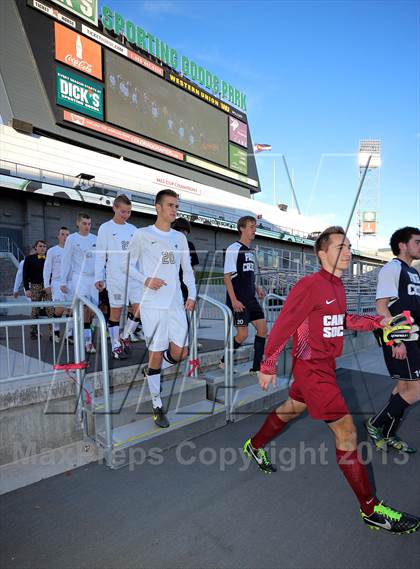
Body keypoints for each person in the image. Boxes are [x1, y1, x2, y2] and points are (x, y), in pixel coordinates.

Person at [242, 226, 420, 535]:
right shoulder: (309, 284)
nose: (348, 250)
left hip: (323, 365)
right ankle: (371, 510)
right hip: (312, 369)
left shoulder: (337, 286)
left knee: (291, 408)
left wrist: (380, 323)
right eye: (340, 246)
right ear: (322, 253)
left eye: (349, 245)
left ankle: (254, 445)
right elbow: (285, 322)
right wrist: (267, 363)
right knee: (347, 432)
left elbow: (344, 319)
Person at [128, 189, 196, 428]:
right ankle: (157, 403)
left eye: (176, 206)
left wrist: (192, 295)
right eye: (170, 205)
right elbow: (128, 265)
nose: (174, 210)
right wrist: (145, 280)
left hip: (176, 303)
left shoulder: (180, 238)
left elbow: (187, 270)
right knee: (155, 353)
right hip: (152, 305)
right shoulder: (142, 234)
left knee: (181, 353)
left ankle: (152, 372)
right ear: (157, 207)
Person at [365, 226, 420, 453]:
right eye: (417, 242)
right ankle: (375, 424)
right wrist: (396, 340)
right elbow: (381, 307)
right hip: (401, 338)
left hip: (414, 336)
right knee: (416, 390)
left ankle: (389, 434)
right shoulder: (392, 268)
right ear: (402, 245)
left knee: (403, 387)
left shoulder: (414, 272)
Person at [95, 194, 142, 360]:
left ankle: (126, 335)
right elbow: (100, 255)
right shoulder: (105, 228)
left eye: (129, 212)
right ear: (114, 208)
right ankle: (115, 345)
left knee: (139, 309)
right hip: (115, 276)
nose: (126, 215)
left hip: (134, 276)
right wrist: (98, 277)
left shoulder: (134, 230)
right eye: (123, 211)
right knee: (116, 311)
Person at [222, 215, 267, 374]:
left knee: (262, 329)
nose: (254, 230)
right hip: (239, 300)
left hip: (251, 299)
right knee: (242, 335)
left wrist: (256, 287)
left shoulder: (250, 251)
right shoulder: (233, 248)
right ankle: (224, 361)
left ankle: (256, 369)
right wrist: (233, 300)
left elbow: (246, 274)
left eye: (255, 227)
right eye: (251, 226)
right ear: (242, 228)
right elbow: (227, 276)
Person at [60, 213, 97, 354]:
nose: (87, 226)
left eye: (89, 224)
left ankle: (83, 331)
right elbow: (66, 260)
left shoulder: (95, 239)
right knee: (83, 309)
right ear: (78, 223)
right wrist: (63, 281)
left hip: (93, 280)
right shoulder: (72, 239)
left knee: (93, 311)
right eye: (84, 223)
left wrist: (102, 278)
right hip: (79, 278)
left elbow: (100, 260)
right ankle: (87, 341)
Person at [43, 227, 71, 343]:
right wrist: (46, 284)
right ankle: (55, 331)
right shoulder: (52, 251)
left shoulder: (72, 250)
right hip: (57, 282)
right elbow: (47, 268)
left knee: (71, 309)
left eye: (67, 235)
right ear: (58, 236)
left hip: (70, 283)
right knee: (59, 309)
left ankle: (69, 335)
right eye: (63, 234)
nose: (65, 237)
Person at [23, 240, 53, 339]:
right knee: (35, 309)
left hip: (47, 285)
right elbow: (25, 275)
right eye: (40, 246)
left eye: (44, 246)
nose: (43, 248)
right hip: (35, 286)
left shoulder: (49, 258)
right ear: (35, 247)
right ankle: (33, 332)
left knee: (50, 309)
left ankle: (53, 333)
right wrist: (27, 289)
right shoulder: (29, 259)